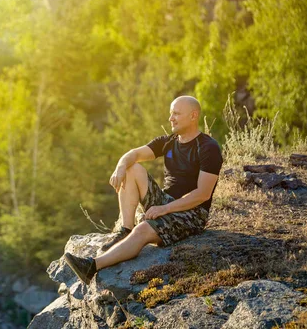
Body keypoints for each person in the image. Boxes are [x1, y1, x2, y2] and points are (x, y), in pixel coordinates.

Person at [64, 96, 223, 285]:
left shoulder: (208, 147)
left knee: (144, 229)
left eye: (176, 114)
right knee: (132, 167)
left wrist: (164, 209)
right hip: (166, 200)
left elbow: (202, 194)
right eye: (170, 114)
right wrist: (120, 167)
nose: (171, 118)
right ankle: (125, 230)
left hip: (192, 212)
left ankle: (92, 267)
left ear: (193, 116)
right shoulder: (169, 141)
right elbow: (135, 154)